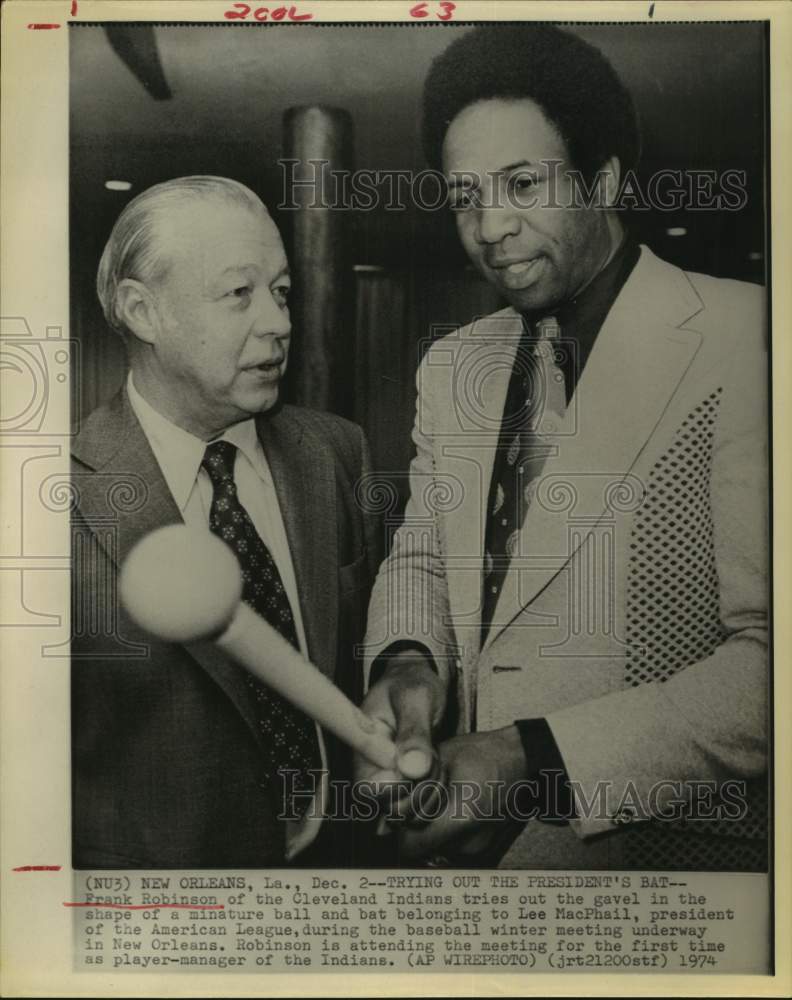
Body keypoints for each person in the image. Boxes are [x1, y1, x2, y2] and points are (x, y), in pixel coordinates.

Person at [358, 25, 768, 870]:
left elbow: (770, 667)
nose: (490, 227)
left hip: (669, 875)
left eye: (520, 184)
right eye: (466, 194)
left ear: (605, 180)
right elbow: (426, 553)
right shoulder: (454, 362)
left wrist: (530, 758)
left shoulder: (749, 337)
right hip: (473, 872)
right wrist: (407, 662)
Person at [71, 176, 377, 868]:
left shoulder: (336, 453)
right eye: (240, 294)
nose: (279, 322)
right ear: (141, 311)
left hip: (343, 888)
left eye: (281, 291)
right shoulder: (43, 499)